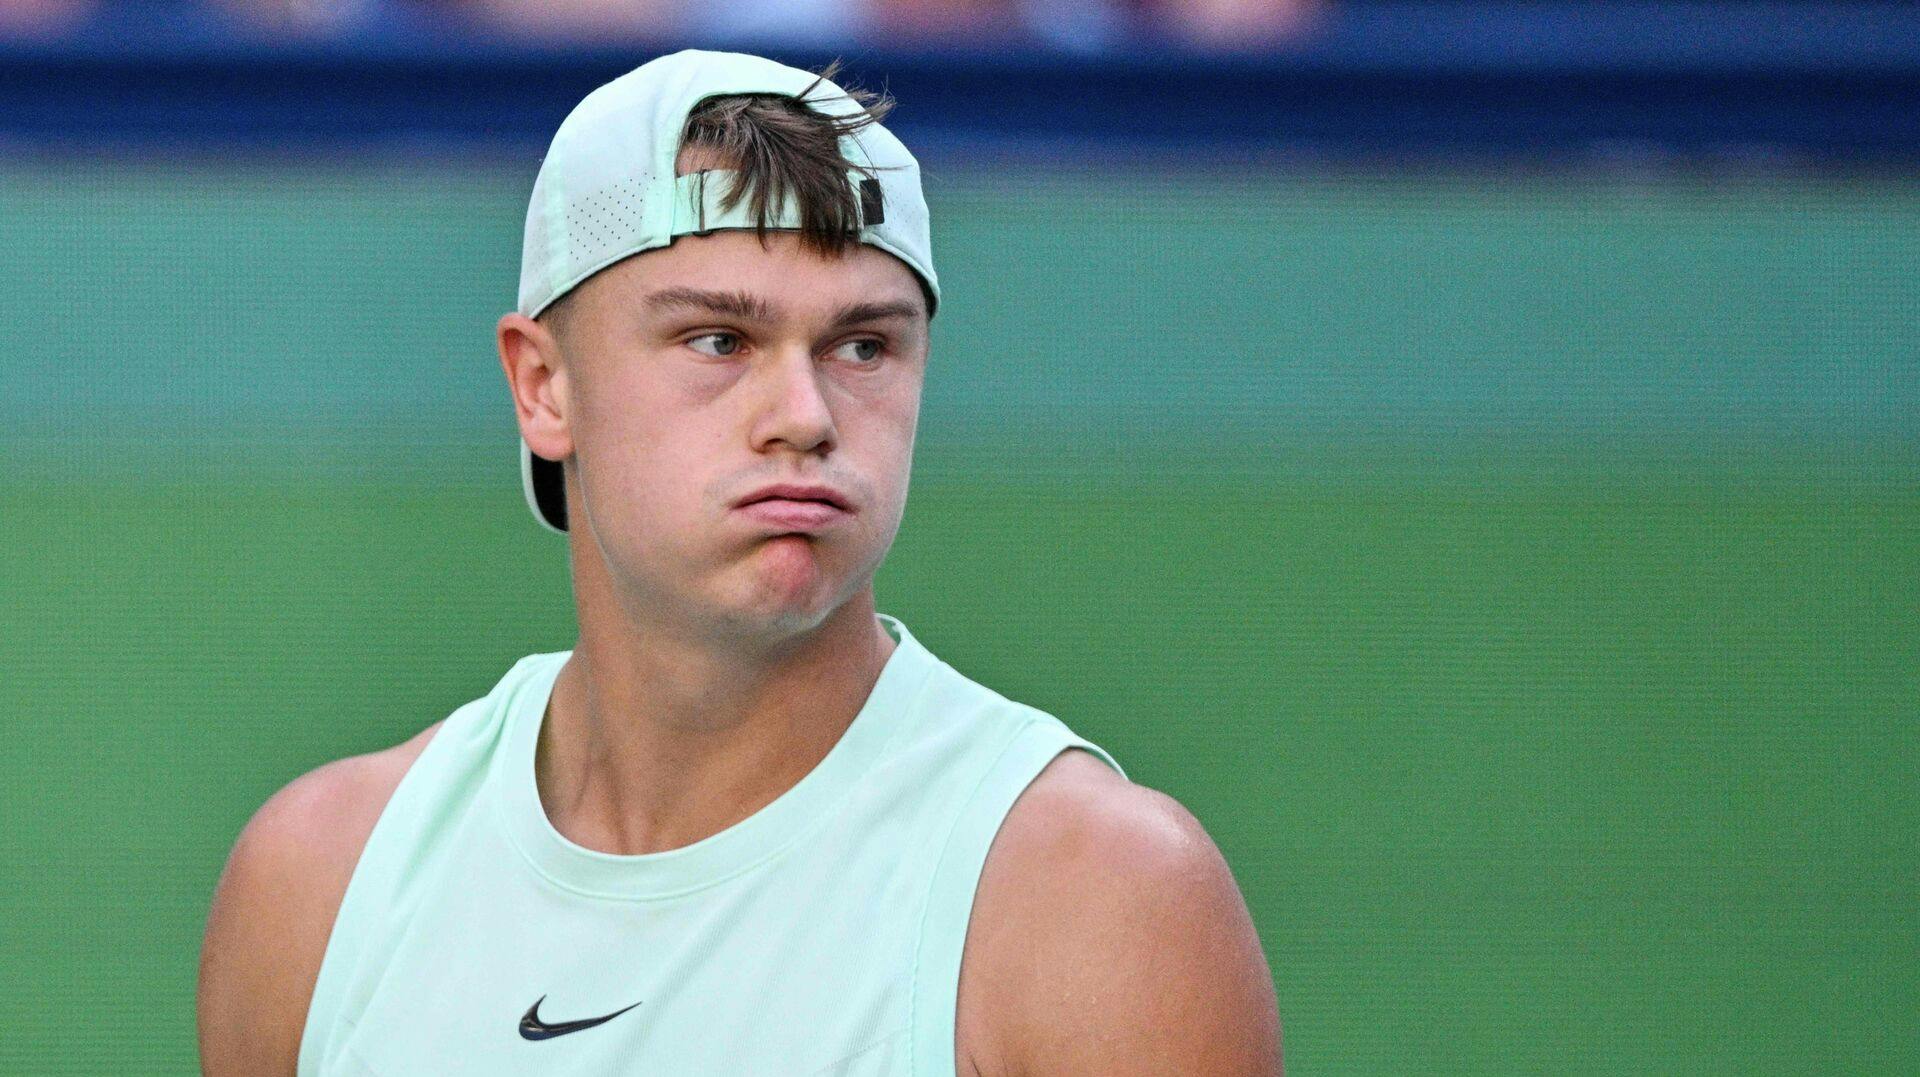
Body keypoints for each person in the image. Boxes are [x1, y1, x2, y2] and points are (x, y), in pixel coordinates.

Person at [197, 48, 1281, 1075]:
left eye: (865, 345)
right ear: (543, 388)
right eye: (718, 339)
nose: (806, 417)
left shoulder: (1100, 896)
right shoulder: (319, 879)